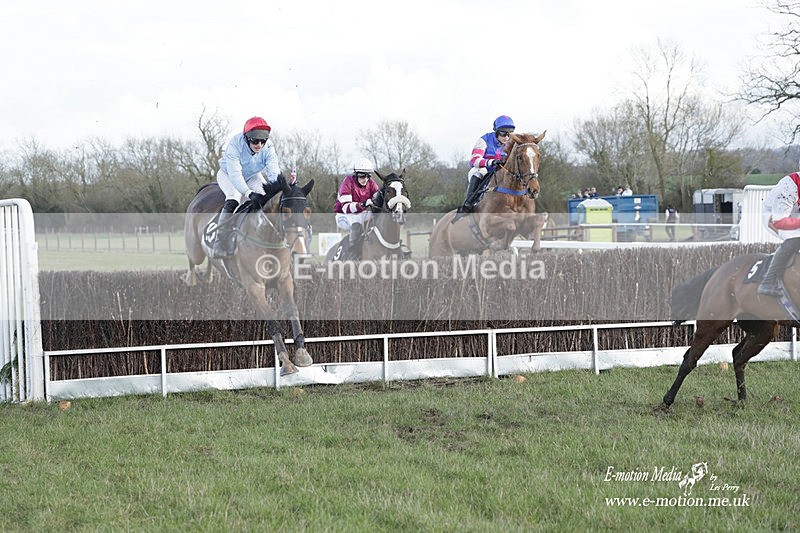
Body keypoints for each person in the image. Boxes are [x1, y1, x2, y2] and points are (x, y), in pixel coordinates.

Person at [210, 116, 284, 259]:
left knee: (267, 199)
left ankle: (265, 237)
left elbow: (274, 172)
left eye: (263, 141)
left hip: (252, 176)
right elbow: (235, 175)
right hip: (228, 175)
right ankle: (218, 243)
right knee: (234, 198)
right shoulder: (235, 145)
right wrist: (248, 193)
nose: (259, 145)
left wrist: (281, 188)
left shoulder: (268, 148)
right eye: (255, 141)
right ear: (246, 138)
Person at [453, 115, 515, 222]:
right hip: (484, 169)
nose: (506, 137)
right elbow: (474, 160)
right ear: (496, 132)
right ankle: (469, 203)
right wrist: (491, 162)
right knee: (478, 171)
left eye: (509, 134)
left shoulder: (512, 143)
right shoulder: (484, 140)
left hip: (501, 172)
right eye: (503, 133)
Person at [759, 161, 800, 297]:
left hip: (794, 215)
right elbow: (780, 221)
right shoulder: (789, 186)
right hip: (775, 217)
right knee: (795, 237)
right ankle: (768, 281)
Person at [334, 158, 380, 253]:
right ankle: (352, 251)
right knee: (356, 222)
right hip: (344, 215)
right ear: (356, 174)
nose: (365, 180)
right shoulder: (347, 183)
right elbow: (346, 208)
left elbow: (378, 199)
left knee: (379, 218)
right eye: (362, 176)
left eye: (368, 176)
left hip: (361, 212)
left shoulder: (371, 183)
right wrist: (363, 204)